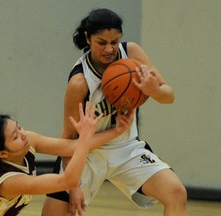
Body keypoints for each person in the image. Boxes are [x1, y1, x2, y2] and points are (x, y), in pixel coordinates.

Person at [42, 8, 187, 216]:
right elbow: (67, 139)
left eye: (115, 41)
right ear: (87, 38)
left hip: (126, 147)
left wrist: (154, 90)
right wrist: (72, 186)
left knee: (176, 193)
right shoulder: (80, 82)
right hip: (86, 154)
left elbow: (169, 95)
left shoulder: (132, 53)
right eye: (102, 42)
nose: (110, 49)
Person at [0, 102, 134, 216]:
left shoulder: (28, 140)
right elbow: (67, 180)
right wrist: (84, 136)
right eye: (15, 136)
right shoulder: (9, 182)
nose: (23, 134)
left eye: (19, 127)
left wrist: (116, 131)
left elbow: (70, 148)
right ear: (2, 154)